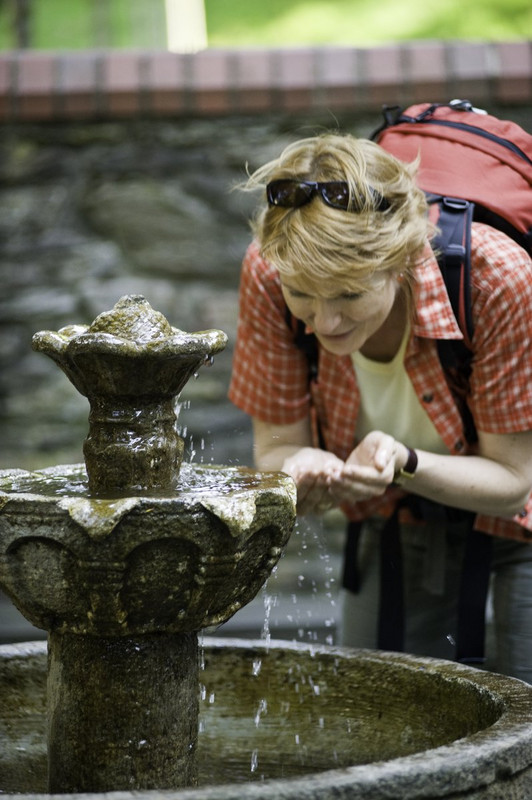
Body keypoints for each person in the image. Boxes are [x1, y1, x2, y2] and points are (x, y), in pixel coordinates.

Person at [228, 133, 532, 683]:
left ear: (402, 261)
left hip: (522, 520)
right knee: (375, 701)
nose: (323, 323)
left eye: (348, 294)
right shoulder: (268, 271)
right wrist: (295, 467)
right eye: (304, 294)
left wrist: (401, 460)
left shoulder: (496, 279)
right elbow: (275, 450)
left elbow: (514, 481)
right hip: (397, 518)